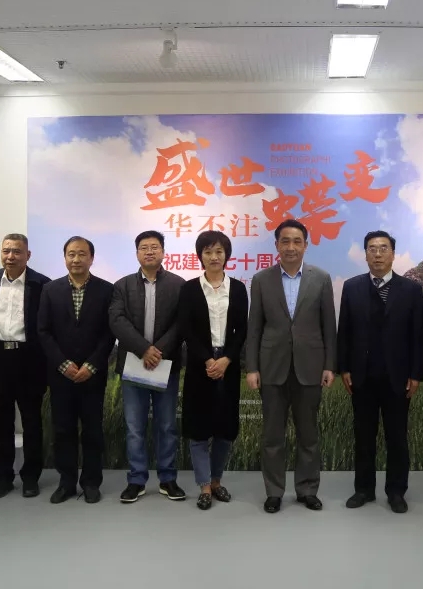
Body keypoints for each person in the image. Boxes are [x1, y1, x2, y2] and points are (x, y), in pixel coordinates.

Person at [247, 219, 336, 513]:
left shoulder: (321, 278)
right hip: (272, 368)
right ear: (276, 245)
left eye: (297, 241)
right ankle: (274, 492)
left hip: (310, 368)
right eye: (285, 241)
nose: (291, 247)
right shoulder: (261, 280)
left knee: (308, 435)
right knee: (272, 436)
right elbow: (254, 328)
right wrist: (252, 368)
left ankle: (307, 490)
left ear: (306, 246)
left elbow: (329, 326)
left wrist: (329, 365)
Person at [339, 231, 423, 514]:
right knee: (363, 436)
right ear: (365, 254)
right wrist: (344, 367)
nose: (377, 254)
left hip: (397, 376)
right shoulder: (352, 287)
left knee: (397, 437)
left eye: (383, 248)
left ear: (393, 254)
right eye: (372, 248)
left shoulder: (411, 289)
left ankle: (396, 491)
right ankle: (363, 489)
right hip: (362, 376)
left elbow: (417, 335)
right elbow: (345, 331)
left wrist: (416, 374)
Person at [109, 231, 187, 503]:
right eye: (144, 247)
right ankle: (136, 480)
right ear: (137, 253)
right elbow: (117, 320)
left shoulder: (178, 285)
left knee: (166, 426)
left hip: (165, 365)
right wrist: (143, 348)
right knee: (135, 427)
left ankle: (168, 479)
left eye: (155, 247)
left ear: (163, 252)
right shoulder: (122, 285)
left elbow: (182, 322)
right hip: (134, 364)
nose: (150, 251)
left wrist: (158, 351)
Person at [38, 236, 116, 504]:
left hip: (93, 375)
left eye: (82, 254)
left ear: (91, 258)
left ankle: (91, 483)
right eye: (71, 254)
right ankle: (67, 482)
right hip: (61, 375)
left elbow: (109, 333)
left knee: (93, 430)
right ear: (64, 258)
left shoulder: (107, 290)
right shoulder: (50, 290)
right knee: (63, 430)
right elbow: (43, 331)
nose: (76, 259)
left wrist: (92, 365)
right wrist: (63, 364)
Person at [178, 231, 249, 510]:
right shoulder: (189, 289)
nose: (214, 257)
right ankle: (204, 486)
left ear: (226, 255)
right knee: (198, 428)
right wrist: (208, 360)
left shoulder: (238, 288)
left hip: (228, 365)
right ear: (200, 256)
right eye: (208, 252)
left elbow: (242, 330)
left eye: (219, 251)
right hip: (200, 365)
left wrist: (227, 359)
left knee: (224, 427)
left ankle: (217, 481)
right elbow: (186, 329)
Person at [0, 234, 51, 499]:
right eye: (6, 251)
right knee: (2, 422)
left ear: (27, 255)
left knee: (31, 422)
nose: (11, 256)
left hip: (29, 359)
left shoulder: (41, 284)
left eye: (17, 251)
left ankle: (30, 477)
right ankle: (3, 477)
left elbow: (46, 327)